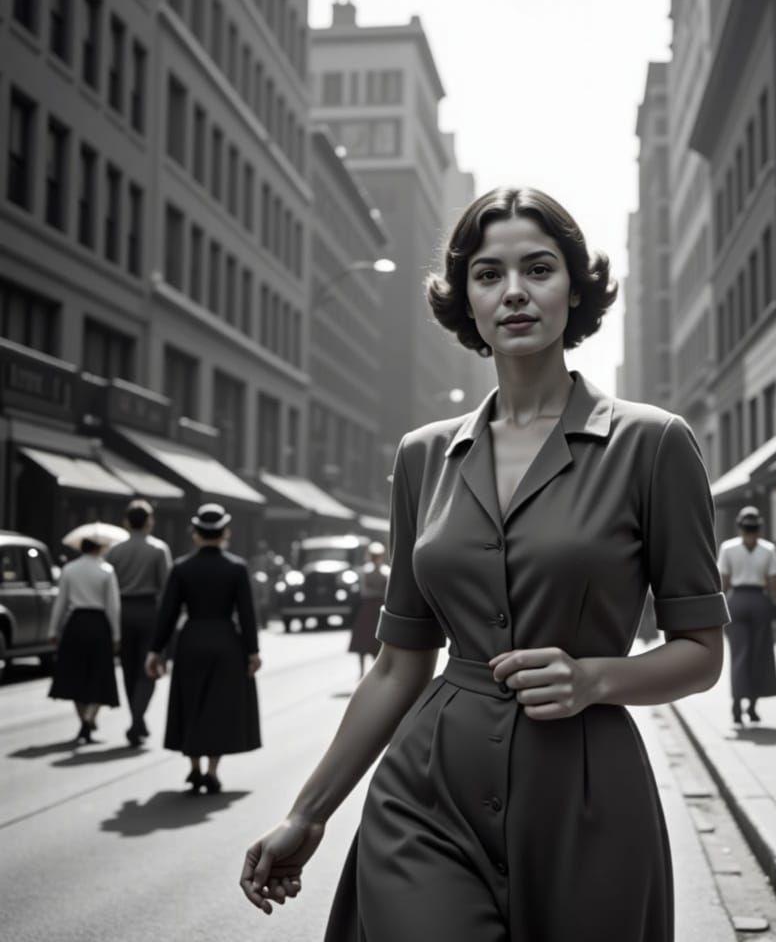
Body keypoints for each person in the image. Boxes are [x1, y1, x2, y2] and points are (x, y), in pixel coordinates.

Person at [239, 186, 729, 940]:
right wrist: (307, 814)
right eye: (489, 275)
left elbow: (701, 654)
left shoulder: (653, 444)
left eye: (539, 269)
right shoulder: (421, 456)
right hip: (427, 792)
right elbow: (399, 664)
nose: (515, 294)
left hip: (588, 795)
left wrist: (595, 677)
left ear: (575, 287)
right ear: (465, 299)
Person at [145, 503, 261, 794]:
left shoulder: (182, 567)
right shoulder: (236, 568)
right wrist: (253, 651)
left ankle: (194, 769)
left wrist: (155, 650)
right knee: (219, 707)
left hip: (191, 639)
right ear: (226, 533)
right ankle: (212, 770)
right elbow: (247, 614)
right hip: (226, 641)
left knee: (191, 702)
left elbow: (167, 613)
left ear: (194, 533)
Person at [717, 506, 776, 726]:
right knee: (759, 654)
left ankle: (736, 702)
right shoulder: (768, 549)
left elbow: (723, 583)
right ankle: (751, 706)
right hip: (760, 600)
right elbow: (774, 584)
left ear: (739, 527)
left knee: (739, 654)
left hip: (737, 601)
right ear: (759, 528)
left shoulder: (728, 548)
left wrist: (715, 611)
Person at [106, 499, 172, 747]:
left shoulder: (115, 551)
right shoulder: (158, 550)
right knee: (150, 666)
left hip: (121, 610)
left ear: (126, 522)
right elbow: (165, 587)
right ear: (149, 522)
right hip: (148, 611)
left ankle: (136, 718)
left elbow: (109, 586)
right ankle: (137, 719)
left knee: (129, 666)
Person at [47, 536, 121, 744]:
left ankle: (83, 719)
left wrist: (53, 629)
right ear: (99, 548)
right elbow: (113, 607)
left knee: (74, 675)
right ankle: (90, 718)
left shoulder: (69, 569)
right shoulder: (106, 570)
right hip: (99, 624)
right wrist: (116, 635)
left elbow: (60, 602)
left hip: (76, 624)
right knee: (100, 674)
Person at [347, 542, 389, 676]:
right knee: (371, 641)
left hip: (368, 607)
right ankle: (371, 671)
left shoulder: (365, 571)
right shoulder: (385, 571)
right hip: (376, 607)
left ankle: (365, 672)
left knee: (367, 640)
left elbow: (363, 591)